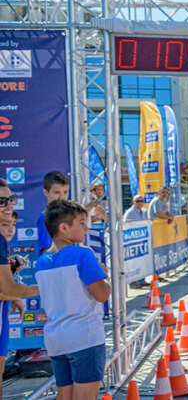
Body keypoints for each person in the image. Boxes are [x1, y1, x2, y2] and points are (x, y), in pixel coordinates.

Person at [35, 200, 110, 400]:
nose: (86, 228)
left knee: (64, 393)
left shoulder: (41, 262)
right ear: (64, 228)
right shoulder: (83, 254)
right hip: (84, 337)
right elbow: (102, 294)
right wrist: (105, 275)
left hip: (56, 339)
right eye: (81, 223)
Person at [0, 202, 31, 399]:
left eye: (12, 224)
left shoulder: (5, 250)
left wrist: (12, 272)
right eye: (4, 224)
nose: (10, 229)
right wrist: (16, 295)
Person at [38, 171, 70, 254]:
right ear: (45, 192)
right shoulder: (46, 217)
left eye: (65, 192)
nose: (62, 197)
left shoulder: (68, 215)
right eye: (57, 192)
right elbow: (46, 251)